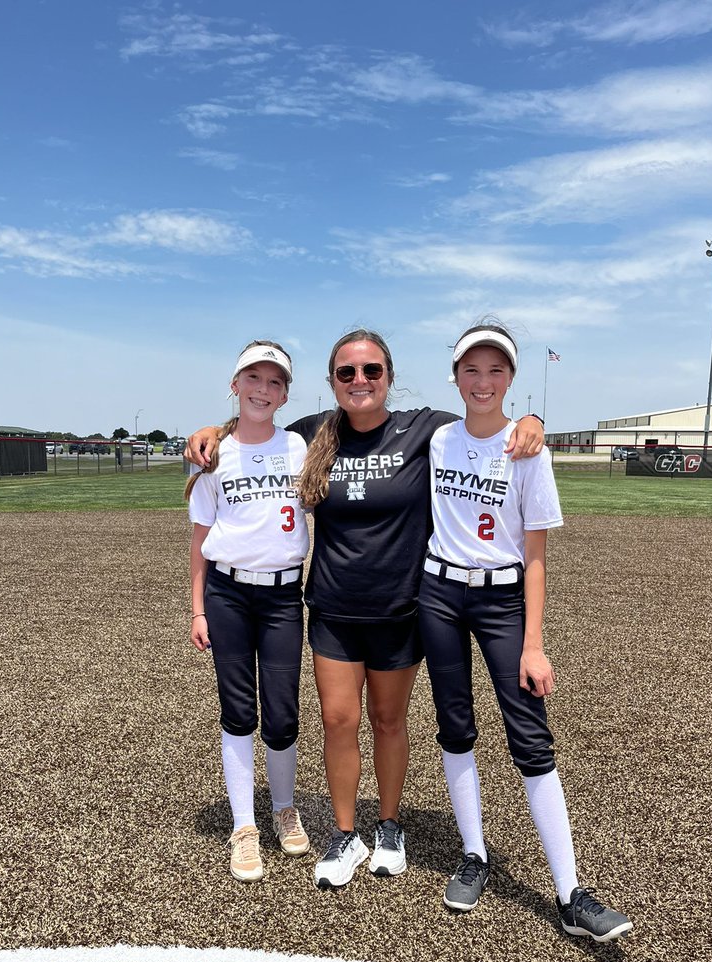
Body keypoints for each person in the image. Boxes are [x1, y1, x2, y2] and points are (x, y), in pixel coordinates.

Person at [187, 330, 546, 890]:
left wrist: (534, 422)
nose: (360, 381)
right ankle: (344, 833)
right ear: (332, 382)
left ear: (389, 376)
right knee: (338, 720)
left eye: (372, 371)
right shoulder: (314, 434)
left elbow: (488, 417)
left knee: (388, 721)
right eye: (347, 373)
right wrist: (212, 429)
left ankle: (390, 824)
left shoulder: (423, 429)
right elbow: (254, 428)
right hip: (333, 607)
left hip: (402, 608)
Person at [417, 321, 632, 941]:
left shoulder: (528, 448)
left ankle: (570, 894)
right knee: (454, 724)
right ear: (455, 376)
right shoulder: (437, 440)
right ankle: (474, 853)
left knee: (530, 736)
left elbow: (535, 553)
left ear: (512, 378)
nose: (483, 382)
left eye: (496, 371)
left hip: (502, 598)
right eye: (471, 370)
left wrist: (533, 642)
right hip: (437, 594)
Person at [187, 340, 311, 883]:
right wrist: (197, 609)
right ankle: (244, 825)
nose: (263, 389)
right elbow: (199, 539)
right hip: (229, 594)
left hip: (284, 595)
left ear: (285, 393)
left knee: (282, 710)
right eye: (253, 379)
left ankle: (283, 805)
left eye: (275, 382)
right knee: (239, 710)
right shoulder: (214, 454)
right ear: (235, 384)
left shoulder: (302, 448)